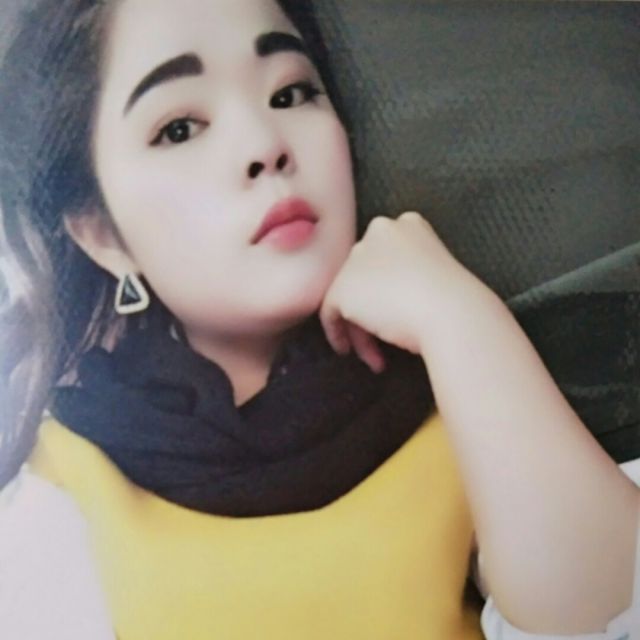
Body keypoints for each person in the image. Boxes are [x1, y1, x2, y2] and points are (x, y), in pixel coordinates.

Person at [0, 0, 638, 638]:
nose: (265, 145)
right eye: (180, 129)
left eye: (290, 94)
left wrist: (459, 318)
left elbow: (606, 615)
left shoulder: (465, 400)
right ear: (102, 233)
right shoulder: (62, 488)